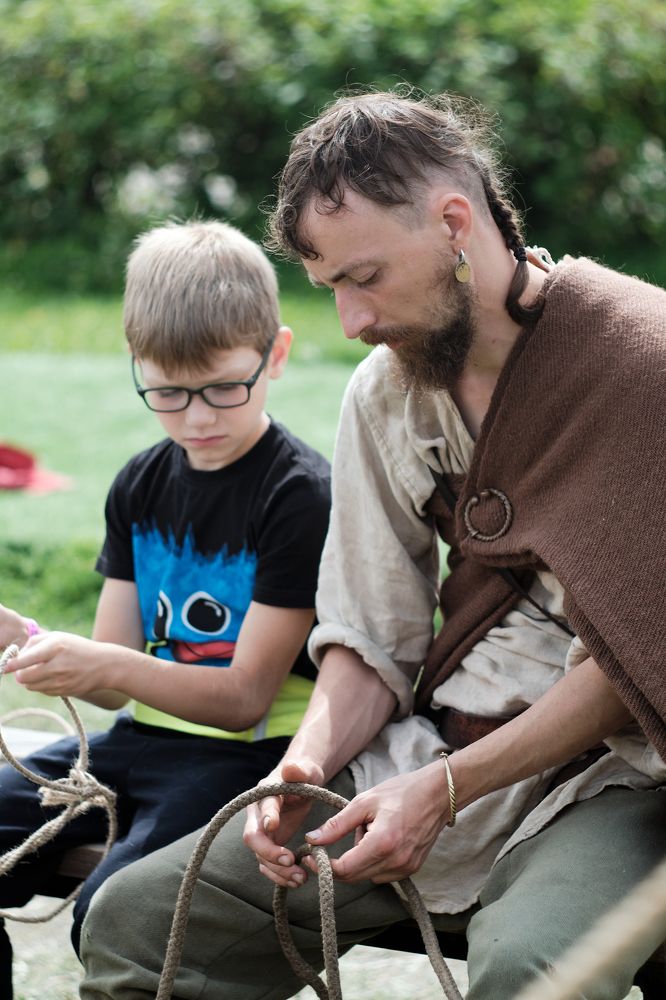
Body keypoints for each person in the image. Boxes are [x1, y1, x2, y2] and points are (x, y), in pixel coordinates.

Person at [79, 91, 666, 1000]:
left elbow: (634, 664)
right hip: (428, 752)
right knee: (142, 920)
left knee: (533, 967)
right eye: (329, 291)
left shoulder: (645, 365)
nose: (351, 322)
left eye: (366, 278)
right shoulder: (386, 394)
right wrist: (304, 762)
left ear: (453, 224)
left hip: (618, 777)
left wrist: (445, 791)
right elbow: (368, 635)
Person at [0, 220, 330, 999]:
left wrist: (108, 662)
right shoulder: (140, 484)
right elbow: (114, 685)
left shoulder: (298, 496)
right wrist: (35, 643)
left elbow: (244, 697)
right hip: (138, 740)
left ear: (274, 356)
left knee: (109, 915)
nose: (196, 418)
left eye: (223, 387)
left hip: (248, 757)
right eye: (167, 393)